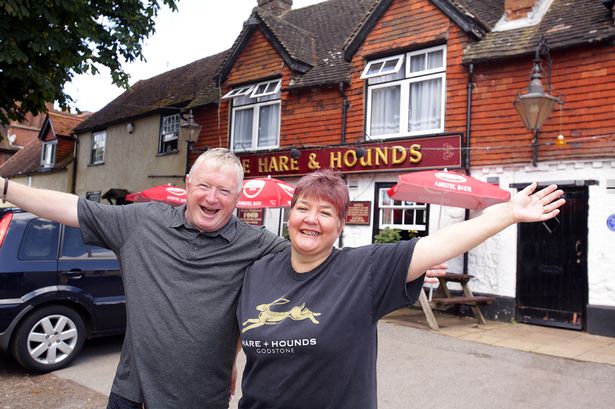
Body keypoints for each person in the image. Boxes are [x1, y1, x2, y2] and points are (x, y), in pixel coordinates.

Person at [236, 169, 565, 409]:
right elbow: (234, 330)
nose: (311, 220)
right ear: (289, 215)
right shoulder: (256, 272)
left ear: (340, 225)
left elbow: (436, 245)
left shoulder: (363, 270)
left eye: (326, 213)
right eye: (303, 208)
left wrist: (507, 214)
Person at [0, 148, 288, 409]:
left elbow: (312, 262)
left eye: (224, 191)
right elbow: (70, 209)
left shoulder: (258, 244)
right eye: (204, 185)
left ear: (238, 197)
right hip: (132, 397)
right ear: (188, 184)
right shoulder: (141, 222)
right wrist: (4, 187)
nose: (212, 198)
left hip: (202, 400)